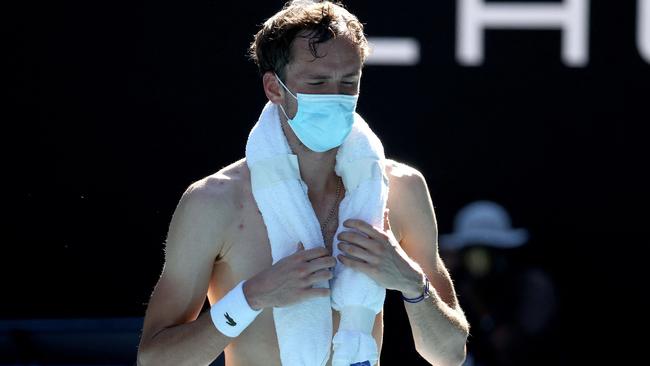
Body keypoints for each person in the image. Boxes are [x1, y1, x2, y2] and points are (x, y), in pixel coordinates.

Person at [136, 1, 469, 365]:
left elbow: (449, 355)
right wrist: (252, 297)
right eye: (317, 82)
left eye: (349, 82)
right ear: (274, 88)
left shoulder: (401, 190)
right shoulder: (215, 202)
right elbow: (155, 359)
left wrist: (410, 282)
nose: (336, 97)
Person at [439, 201, 559, 366]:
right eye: (471, 250)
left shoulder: (531, 286)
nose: (477, 259)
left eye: (485, 250)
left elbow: (536, 344)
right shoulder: (457, 286)